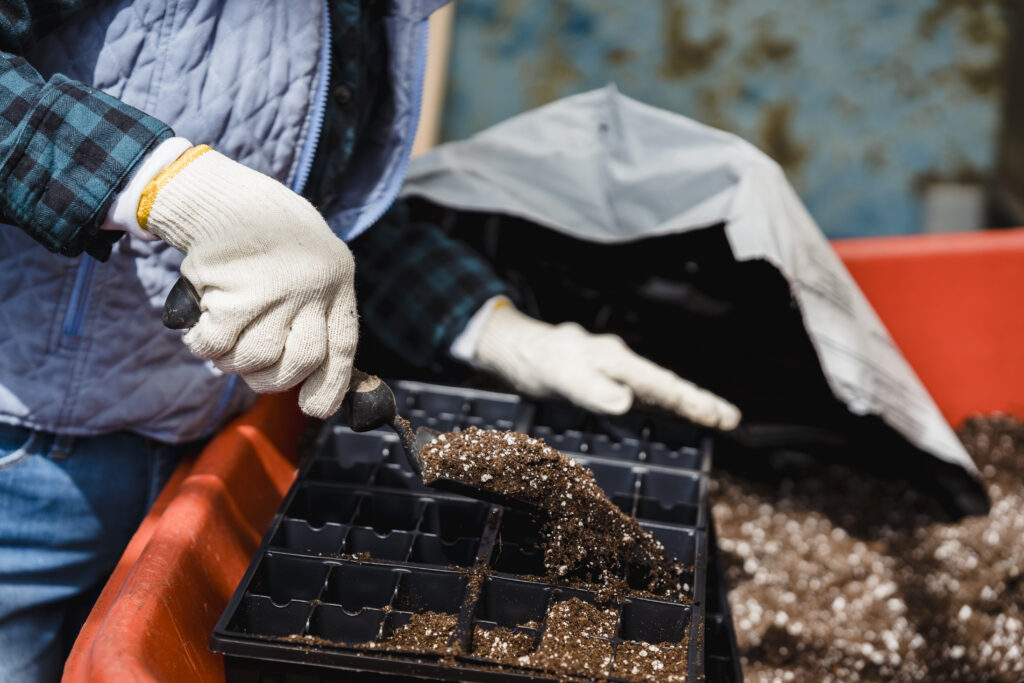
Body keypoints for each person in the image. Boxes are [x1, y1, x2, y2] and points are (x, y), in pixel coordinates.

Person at [0, 1, 740, 680]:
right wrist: (162, 183)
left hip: (203, 445)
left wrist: (495, 328)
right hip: (26, 455)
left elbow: (328, 224)